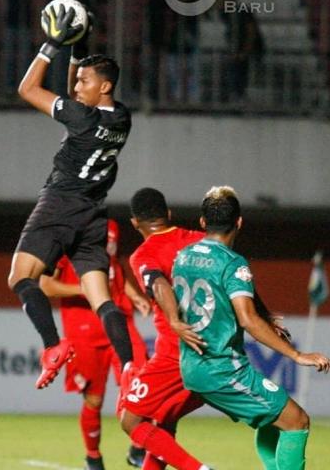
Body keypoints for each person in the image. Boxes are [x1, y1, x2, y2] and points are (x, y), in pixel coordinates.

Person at [7, 4, 136, 391]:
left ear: (104, 87)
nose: (76, 87)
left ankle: (51, 347)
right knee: (103, 300)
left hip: (60, 203)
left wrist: (51, 45)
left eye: (83, 82)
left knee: (20, 277)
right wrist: (79, 49)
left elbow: (28, 90)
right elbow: (73, 96)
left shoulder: (82, 120)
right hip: (94, 214)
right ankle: (130, 369)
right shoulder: (121, 118)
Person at [171, 186, 330, 470]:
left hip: (192, 364)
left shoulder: (182, 256)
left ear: (202, 222)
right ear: (240, 222)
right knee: (297, 422)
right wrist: (296, 355)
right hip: (221, 369)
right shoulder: (233, 263)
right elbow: (247, 319)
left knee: (273, 421)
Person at [115, 187, 214, 470]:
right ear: (169, 214)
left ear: (135, 223)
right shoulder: (202, 240)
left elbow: (157, 282)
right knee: (164, 421)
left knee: (130, 419)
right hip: (215, 352)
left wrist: (174, 319)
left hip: (176, 354)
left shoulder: (143, 254)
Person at [41, 219, 150, 470]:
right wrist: (85, 289)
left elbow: (115, 267)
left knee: (142, 381)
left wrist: (133, 296)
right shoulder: (65, 232)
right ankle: (93, 457)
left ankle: (138, 447)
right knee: (93, 399)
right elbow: (46, 285)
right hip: (83, 328)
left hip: (118, 320)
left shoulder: (110, 225)